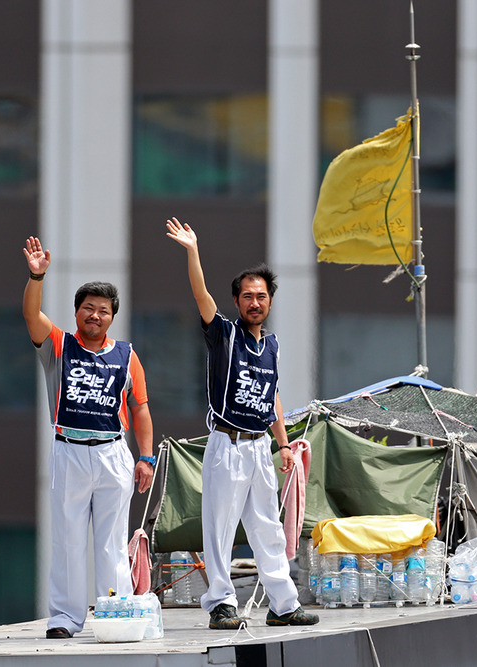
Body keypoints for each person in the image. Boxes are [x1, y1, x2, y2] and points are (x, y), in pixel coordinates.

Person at [166, 217, 319, 629]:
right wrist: (193, 250)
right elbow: (201, 295)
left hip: (259, 448)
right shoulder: (225, 335)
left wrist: (284, 444)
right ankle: (221, 603)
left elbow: (273, 396)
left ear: (270, 301)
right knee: (219, 528)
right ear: (236, 301)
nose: (255, 302)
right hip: (227, 444)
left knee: (268, 528)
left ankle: (284, 604)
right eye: (248, 296)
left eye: (262, 296)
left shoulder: (272, 345)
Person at [22, 236, 156, 639]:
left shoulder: (127, 355)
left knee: (112, 542)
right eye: (88, 308)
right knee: (67, 538)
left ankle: (114, 614)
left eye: (103, 310)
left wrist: (145, 457)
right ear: (77, 312)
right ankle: (65, 618)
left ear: (113, 316)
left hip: (114, 452)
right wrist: (36, 275)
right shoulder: (61, 345)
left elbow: (141, 407)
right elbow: (31, 315)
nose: (95, 316)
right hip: (70, 451)